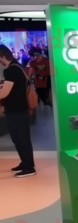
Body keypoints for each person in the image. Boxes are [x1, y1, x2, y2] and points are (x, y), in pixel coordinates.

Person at [0, 44, 36, 178]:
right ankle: (26, 163)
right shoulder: (18, 67)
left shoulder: (10, 71)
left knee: (21, 139)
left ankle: (29, 167)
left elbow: (4, 93)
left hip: (16, 111)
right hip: (20, 110)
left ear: (3, 56)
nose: (0, 62)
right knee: (21, 139)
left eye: (0, 59)